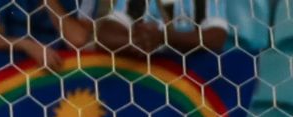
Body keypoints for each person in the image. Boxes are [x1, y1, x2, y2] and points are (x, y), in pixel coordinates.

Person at [0, 0, 97, 68]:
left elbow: (78, 41)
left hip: (61, 67)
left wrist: (50, 2)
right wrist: (26, 45)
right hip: (16, 65)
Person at [97, 0, 230, 55]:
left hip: (195, 83)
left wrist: (163, 38)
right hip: (148, 82)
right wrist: (142, 42)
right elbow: (105, 36)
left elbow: (216, 36)